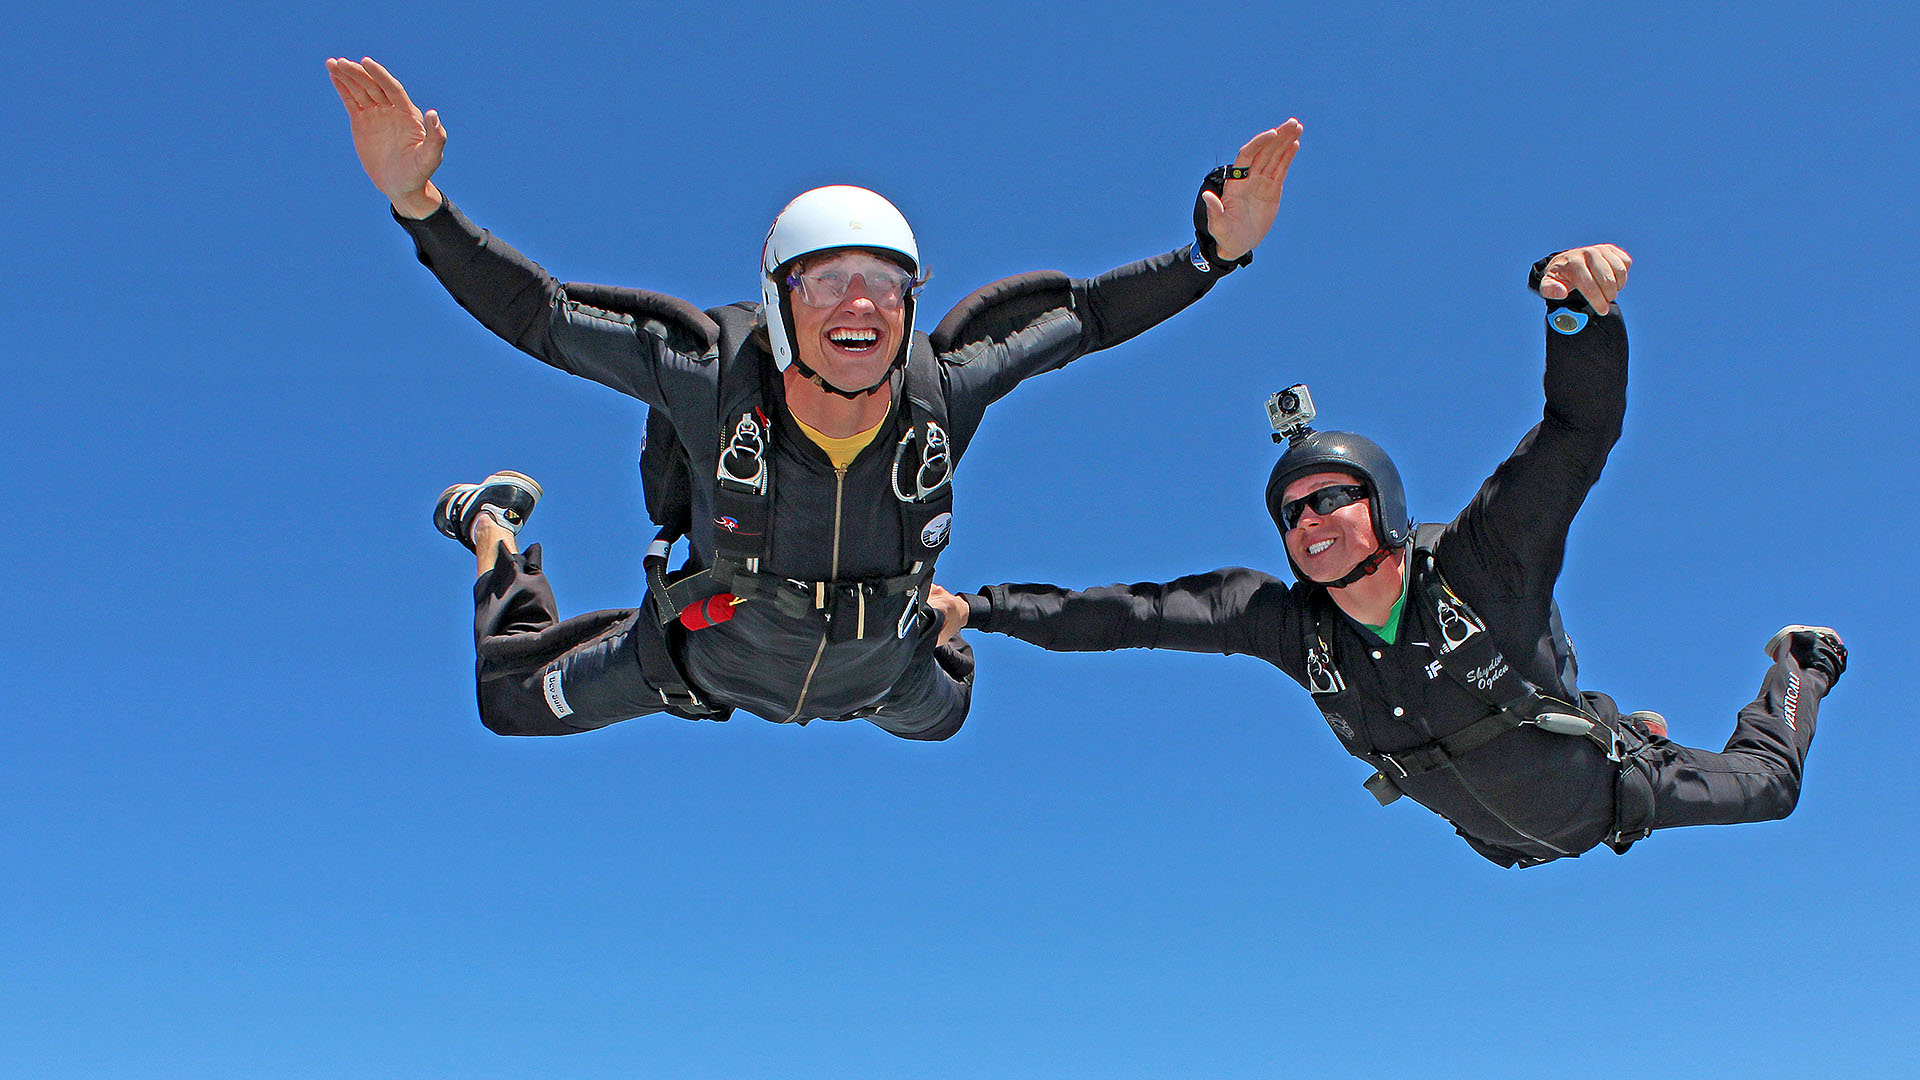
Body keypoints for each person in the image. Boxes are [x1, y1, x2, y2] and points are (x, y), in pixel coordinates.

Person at [325, 56, 1304, 740]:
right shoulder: (709, 378)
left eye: (885, 285)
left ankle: (938, 626)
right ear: (779, 300)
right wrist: (422, 205)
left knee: (947, 719)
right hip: (709, 659)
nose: (860, 306)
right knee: (510, 700)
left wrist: (1212, 257)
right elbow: (542, 315)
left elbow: (1085, 318)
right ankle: (492, 528)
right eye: (826, 281)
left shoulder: (945, 387)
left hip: (886, 674)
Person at [934, 245, 1847, 866]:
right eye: (1291, 513)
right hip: (1504, 845)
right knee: (1511, 828)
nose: (1310, 520)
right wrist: (978, 608)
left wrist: (1575, 316)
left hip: (1612, 797)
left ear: (1385, 504)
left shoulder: (1484, 564)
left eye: (1332, 497)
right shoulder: (1287, 628)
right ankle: (1608, 717)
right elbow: (1128, 614)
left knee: (1771, 790)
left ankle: (1800, 662)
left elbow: (1576, 433)